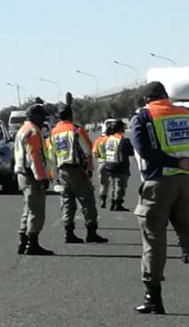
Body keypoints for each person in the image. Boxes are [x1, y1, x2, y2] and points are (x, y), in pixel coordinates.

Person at [128, 81, 189, 317]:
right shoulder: (185, 115)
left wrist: (173, 162)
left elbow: (143, 149)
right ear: (165, 96)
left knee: (154, 239)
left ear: (146, 100)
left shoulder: (143, 116)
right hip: (188, 184)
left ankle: (153, 296)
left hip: (159, 183)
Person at [50, 102, 107, 244]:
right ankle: (91, 232)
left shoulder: (54, 131)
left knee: (67, 202)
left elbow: (51, 154)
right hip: (76, 169)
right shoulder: (75, 130)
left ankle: (69, 233)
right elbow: (88, 149)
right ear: (71, 115)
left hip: (62, 170)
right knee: (87, 201)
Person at [13, 103, 54, 256]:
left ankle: (23, 241)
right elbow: (34, 157)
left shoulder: (23, 129)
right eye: (42, 116)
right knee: (37, 211)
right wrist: (42, 177)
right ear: (34, 116)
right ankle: (33, 244)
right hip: (31, 175)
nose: (43, 119)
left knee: (28, 209)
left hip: (22, 174)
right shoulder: (33, 132)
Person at [100, 119, 133, 211]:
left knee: (114, 184)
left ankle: (113, 202)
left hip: (109, 164)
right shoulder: (122, 139)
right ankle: (118, 203)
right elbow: (130, 151)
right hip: (120, 165)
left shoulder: (109, 138)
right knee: (121, 185)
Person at [91, 125, 112, 207]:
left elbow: (94, 154)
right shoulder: (111, 139)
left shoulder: (98, 140)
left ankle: (102, 199)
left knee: (103, 184)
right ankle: (114, 200)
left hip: (102, 164)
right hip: (112, 163)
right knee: (113, 183)